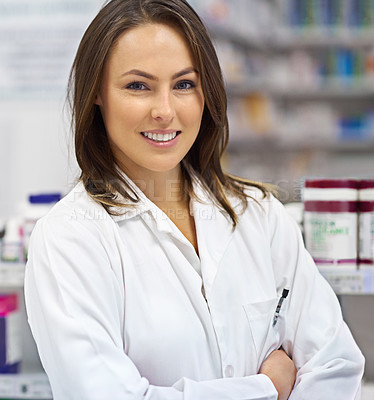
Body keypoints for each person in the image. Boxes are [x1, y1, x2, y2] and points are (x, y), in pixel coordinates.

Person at [24, 0, 365, 399]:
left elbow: (336, 366)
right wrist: (267, 387)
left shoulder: (260, 215)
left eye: (184, 84)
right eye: (138, 86)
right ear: (97, 93)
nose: (165, 111)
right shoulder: (69, 239)